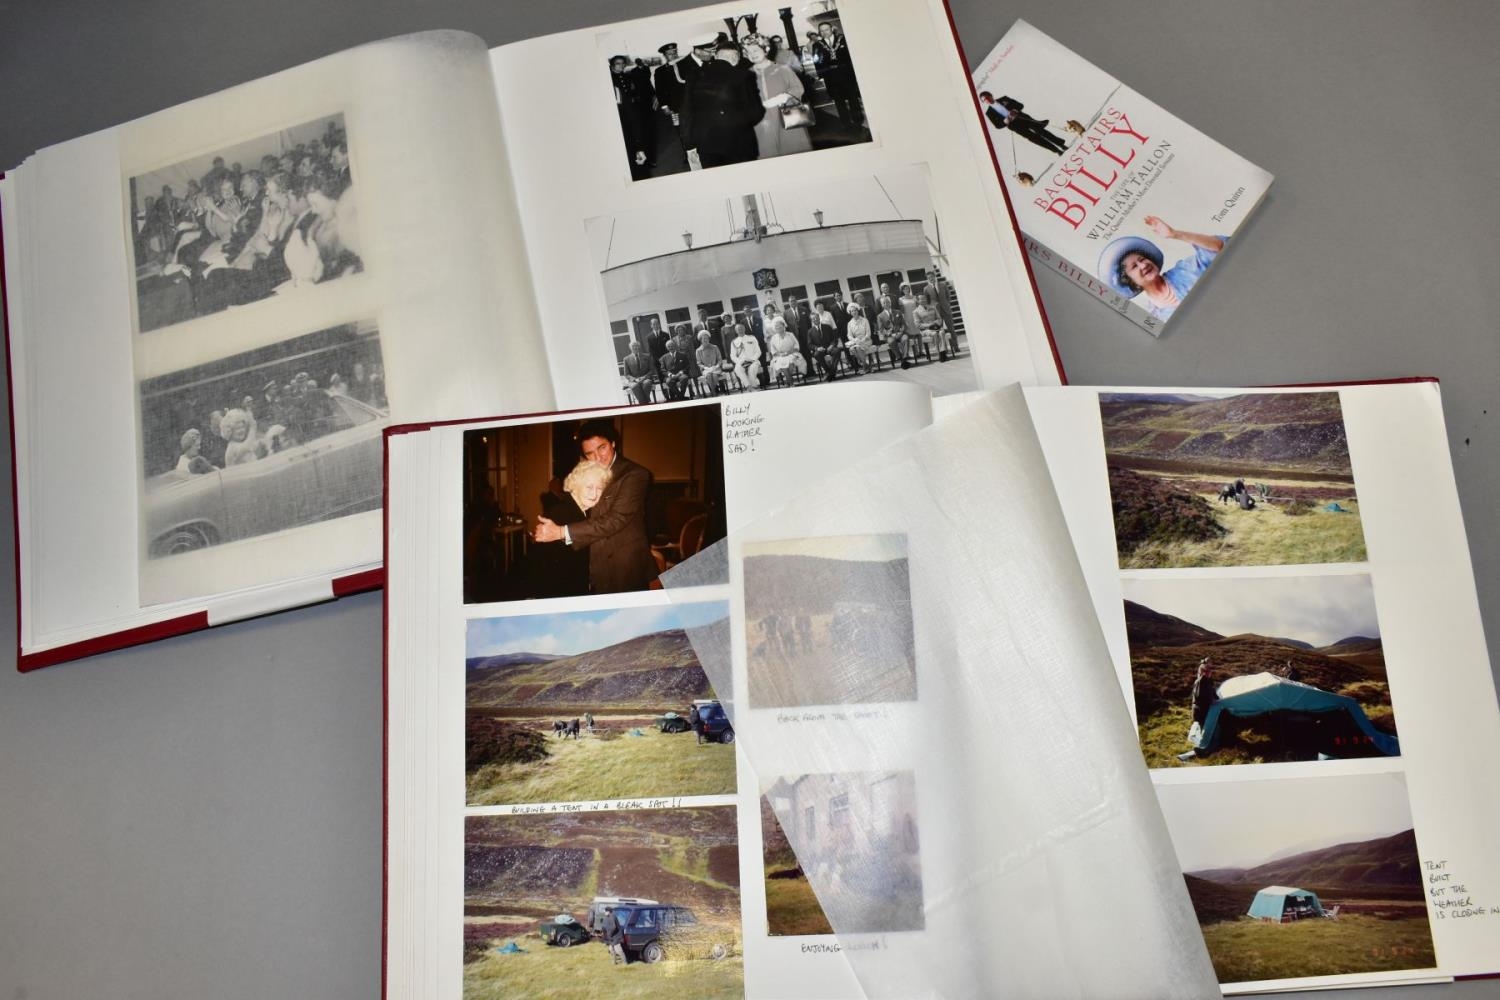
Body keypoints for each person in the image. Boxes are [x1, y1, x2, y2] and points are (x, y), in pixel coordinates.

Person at [533, 419, 657, 594]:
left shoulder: (634, 474)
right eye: (590, 453)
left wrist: (561, 532)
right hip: (594, 563)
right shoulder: (591, 471)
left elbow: (615, 519)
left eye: (602, 448)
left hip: (624, 566)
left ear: (613, 443)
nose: (597, 457)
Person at [1098, 217, 1228, 320]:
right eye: (1134, 266)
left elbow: (1220, 247)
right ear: (1130, 282)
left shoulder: (1184, 271)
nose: (1143, 265)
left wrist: (1175, 234)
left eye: (1142, 259)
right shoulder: (1155, 317)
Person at [680, 38, 765, 168]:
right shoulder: (745, 75)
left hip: (706, 145)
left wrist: (689, 145)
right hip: (739, 143)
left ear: (716, 56)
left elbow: (686, 112)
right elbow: (756, 113)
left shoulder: (694, 75)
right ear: (736, 58)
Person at [743, 35, 812, 159]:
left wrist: (782, 97)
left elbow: (798, 88)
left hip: (785, 118)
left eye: (755, 50)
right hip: (761, 123)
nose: (752, 54)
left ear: (766, 49)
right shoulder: (745, 75)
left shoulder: (782, 69)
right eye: (748, 52)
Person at [978, 91, 1069, 154]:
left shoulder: (1004, 99)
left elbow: (1020, 105)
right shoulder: (989, 113)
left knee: (1041, 131)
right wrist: (1005, 121)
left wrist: (1015, 110)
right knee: (1035, 138)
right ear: (983, 102)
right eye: (984, 100)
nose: (987, 100)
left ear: (991, 95)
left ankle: (1061, 145)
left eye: (987, 97)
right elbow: (997, 126)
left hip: (1022, 118)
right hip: (1014, 126)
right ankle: (1056, 150)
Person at [811, 21, 863, 130]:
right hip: (831, 77)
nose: (824, 32)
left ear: (831, 29)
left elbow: (852, 56)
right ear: (819, 32)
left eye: (826, 29)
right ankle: (846, 124)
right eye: (821, 31)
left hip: (847, 74)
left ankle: (858, 120)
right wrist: (822, 76)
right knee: (839, 101)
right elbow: (817, 62)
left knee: (853, 98)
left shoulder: (843, 39)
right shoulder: (817, 45)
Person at [765, 316, 806, 383]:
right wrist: (780, 354)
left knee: (790, 361)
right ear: (774, 328)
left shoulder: (790, 335)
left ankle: (788, 381)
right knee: (781, 361)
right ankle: (790, 381)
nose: (778, 327)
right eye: (776, 326)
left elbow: (796, 346)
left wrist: (788, 352)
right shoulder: (774, 338)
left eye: (780, 325)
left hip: (792, 353)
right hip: (780, 356)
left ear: (784, 326)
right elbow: (773, 351)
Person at [913, 290, 952, 361]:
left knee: (941, 332)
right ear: (918, 301)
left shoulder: (933, 307)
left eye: (924, 298)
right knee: (934, 334)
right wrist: (929, 325)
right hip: (926, 330)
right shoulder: (916, 312)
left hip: (936, 327)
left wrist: (936, 323)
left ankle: (942, 352)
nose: (923, 300)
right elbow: (918, 325)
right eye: (921, 299)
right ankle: (939, 353)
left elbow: (939, 318)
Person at [621, 339, 657, 404]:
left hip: (645, 378)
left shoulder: (647, 356)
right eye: (633, 346)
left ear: (639, 347)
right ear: (630, 348)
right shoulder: (626, 359)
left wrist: (644, 377)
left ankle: (643, 403)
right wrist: (635, 379)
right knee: (635, 386)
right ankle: (646, 402)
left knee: (646, 383)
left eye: (636, 346)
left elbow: (652, 370)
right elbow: (626, 374)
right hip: (634, 380)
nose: (635, 347)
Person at [729, 323, 763, 389]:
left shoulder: (752, 338)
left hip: (753, 361)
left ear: (744, 329)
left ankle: (753, 386)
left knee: (752, 368)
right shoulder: (734, 342)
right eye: (738, 329)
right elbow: (732, 356)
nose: (740, 330)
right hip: (741, 362)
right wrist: (739, 361)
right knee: (737, 369)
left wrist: (753, 359)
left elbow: (758, 351)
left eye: (742, 328)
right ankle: (748, 386)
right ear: (736, 331)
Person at [1190, 658, 1218, 729]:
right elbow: (1200, 696)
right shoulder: (1201, 682)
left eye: (1210, 671)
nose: (1210, 673)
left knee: (1204, 726)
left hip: (1203, 709)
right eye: (1208, 671)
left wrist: (1216, 699)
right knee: (1203, 727)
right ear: (1203, 672)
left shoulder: (1207, 680)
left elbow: (1212, 691)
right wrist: (1211, 701)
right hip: (1201, 710)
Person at [845, 302, 874, 369]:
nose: (854, 312)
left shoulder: (864, 320)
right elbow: (849, 335)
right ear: (850, 313)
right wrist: (855, 340)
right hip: (856, 341)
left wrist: (863, 340)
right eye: (852, 311)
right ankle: (867, 366)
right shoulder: (850, 323)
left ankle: (864, 367)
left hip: (866, 340)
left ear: (858, 311)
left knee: (858, 348)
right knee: (852, 349)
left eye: (855, 310)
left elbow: (868, 333)